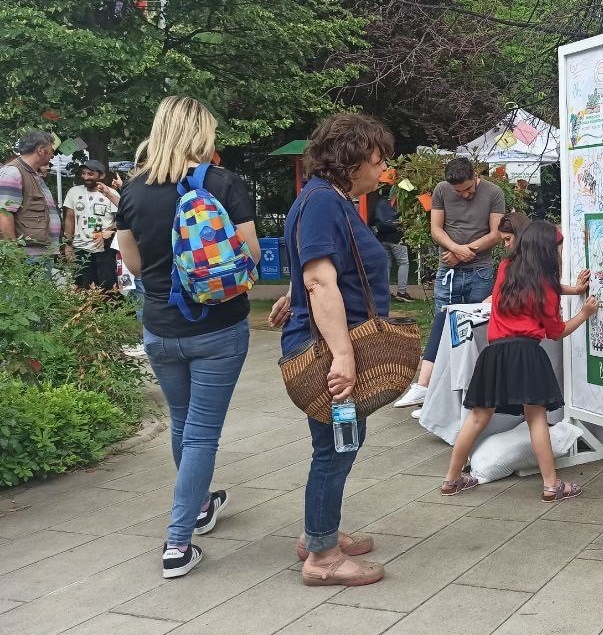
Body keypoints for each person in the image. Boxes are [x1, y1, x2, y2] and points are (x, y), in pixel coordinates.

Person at [115, 96, 260, 578]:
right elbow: (252, 254)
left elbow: (132, 264)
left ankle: (200, 505)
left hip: (160, 327)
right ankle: (178, 544)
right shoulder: (222, 184)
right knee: (201, 434)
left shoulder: (134, 191)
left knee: (182, 423)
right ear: (202, 133)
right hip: (218, 327)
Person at [273, 112, 393, 587]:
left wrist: (291, 296)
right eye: (378, 160)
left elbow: (317, 269)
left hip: (326, 339)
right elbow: (321, 279)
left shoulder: (325, 201)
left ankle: (319, 532)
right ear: (352, 158)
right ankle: (321, 555)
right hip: (329, 348)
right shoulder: (325, 203)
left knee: (340, 442)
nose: (382, 171)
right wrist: (343, 355)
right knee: (336, 446)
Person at [440, 220, 598, 499]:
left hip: (495, 353)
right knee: (536, 418)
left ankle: (451, 480)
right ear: (547, 252)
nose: (560, 254)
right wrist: (583, 314)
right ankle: (552, 485)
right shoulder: (546, 286)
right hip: (527, 353)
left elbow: (530, 282)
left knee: (478, 417)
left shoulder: (505, 270)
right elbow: (557, 332)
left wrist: (571, 290)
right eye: (558, 250)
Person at [393, 158, 505, 409]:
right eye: (459, 191)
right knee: (442, 325)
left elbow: (496, 233)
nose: (464, 195)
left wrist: (464, 252)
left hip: (480, 270)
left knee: (477, 328)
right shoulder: (443, 190)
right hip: (449, 270)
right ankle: (428, 388)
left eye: (468, 189)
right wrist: (455, 250)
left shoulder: (493, 192)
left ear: (475, 175)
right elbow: (436, 228)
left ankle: (473, 390)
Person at [0, 130, 61, 259]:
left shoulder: (34, 174)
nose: (52, 155)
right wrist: (14, 255)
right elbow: (3, 215)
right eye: (51, 150)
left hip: (40, 253)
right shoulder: (13, 173)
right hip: (27, 256)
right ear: (40, 150)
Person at [62, 159, 120, 289]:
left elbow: (121, 219)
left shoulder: (111, 193)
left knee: (106, 287)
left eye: (90, 174)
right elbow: (69, 218)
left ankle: (106, 309)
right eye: (84, 173)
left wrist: (109, 231)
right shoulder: (74, 192)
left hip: (104, 249)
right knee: (82, 287)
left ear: (101, 175)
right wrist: (68, 244)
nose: (86, 177)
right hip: (81, 248)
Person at [369, 187, 413, 302]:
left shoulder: (377, 202)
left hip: (381, 236)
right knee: (403, 262)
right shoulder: (400, 202)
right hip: (396, 236)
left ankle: (386, 292)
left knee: (386, 266)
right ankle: (401, 292)